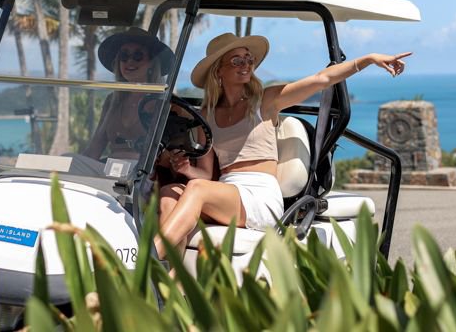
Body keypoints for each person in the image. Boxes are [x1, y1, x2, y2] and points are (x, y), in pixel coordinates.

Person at [155, 32, 411, 258]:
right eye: (236, 60)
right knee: (169, 193)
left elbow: (321, 79)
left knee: (197, 189)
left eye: (248, 59)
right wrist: (187, 169)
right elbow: (204, 172)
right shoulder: (207, 114)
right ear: (218, 71)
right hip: (227, 192)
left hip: (259, 197)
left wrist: (366, 60)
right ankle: (171, 282)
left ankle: (146, 263)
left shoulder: (264, 102)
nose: (245, 65)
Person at [82, 27, 176, 161]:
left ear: (152, 63)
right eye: (124, 56)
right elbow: (95, 148)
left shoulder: (163, 102)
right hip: (108, 171)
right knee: (65, 161)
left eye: (138, 55)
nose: (129, 61)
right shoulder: (112, 100)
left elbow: (167, 154)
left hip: (143, 176)